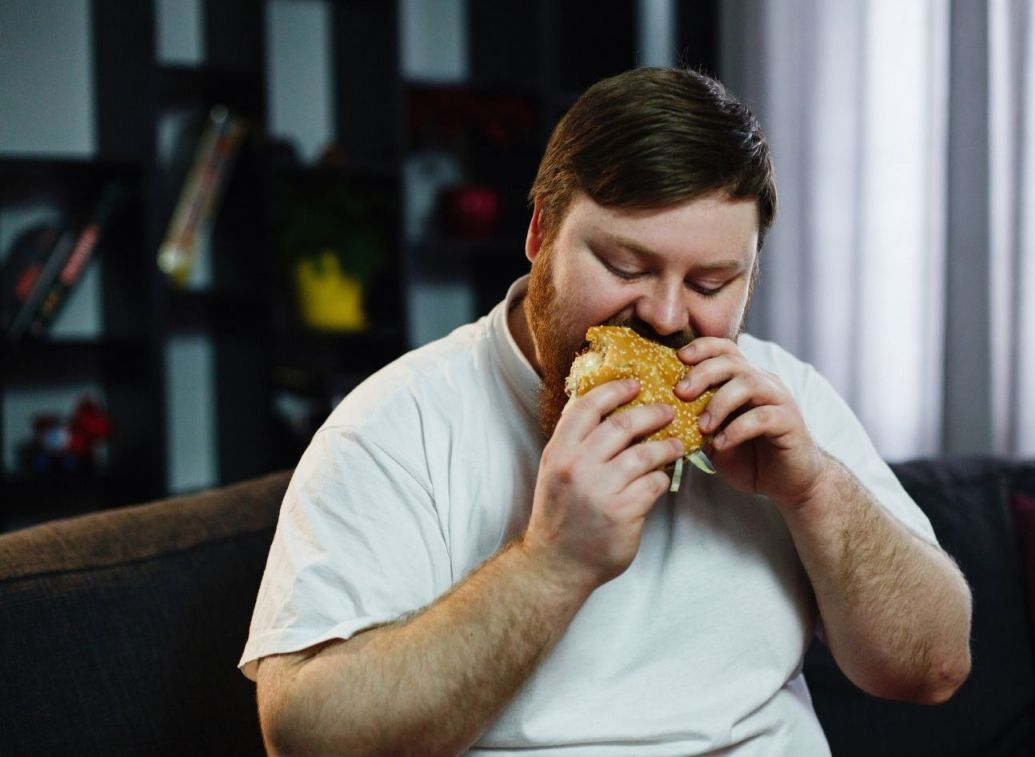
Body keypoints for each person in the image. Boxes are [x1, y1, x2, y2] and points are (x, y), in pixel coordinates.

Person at [242, 68, 972, 756]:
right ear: (540, 238)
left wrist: (814, 490)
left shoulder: (785, 398)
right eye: (626, 266)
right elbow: (306, 736)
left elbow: (935, 667)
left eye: (712, 282)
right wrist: (552, 563)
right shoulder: (397, 427)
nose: (663, 312)